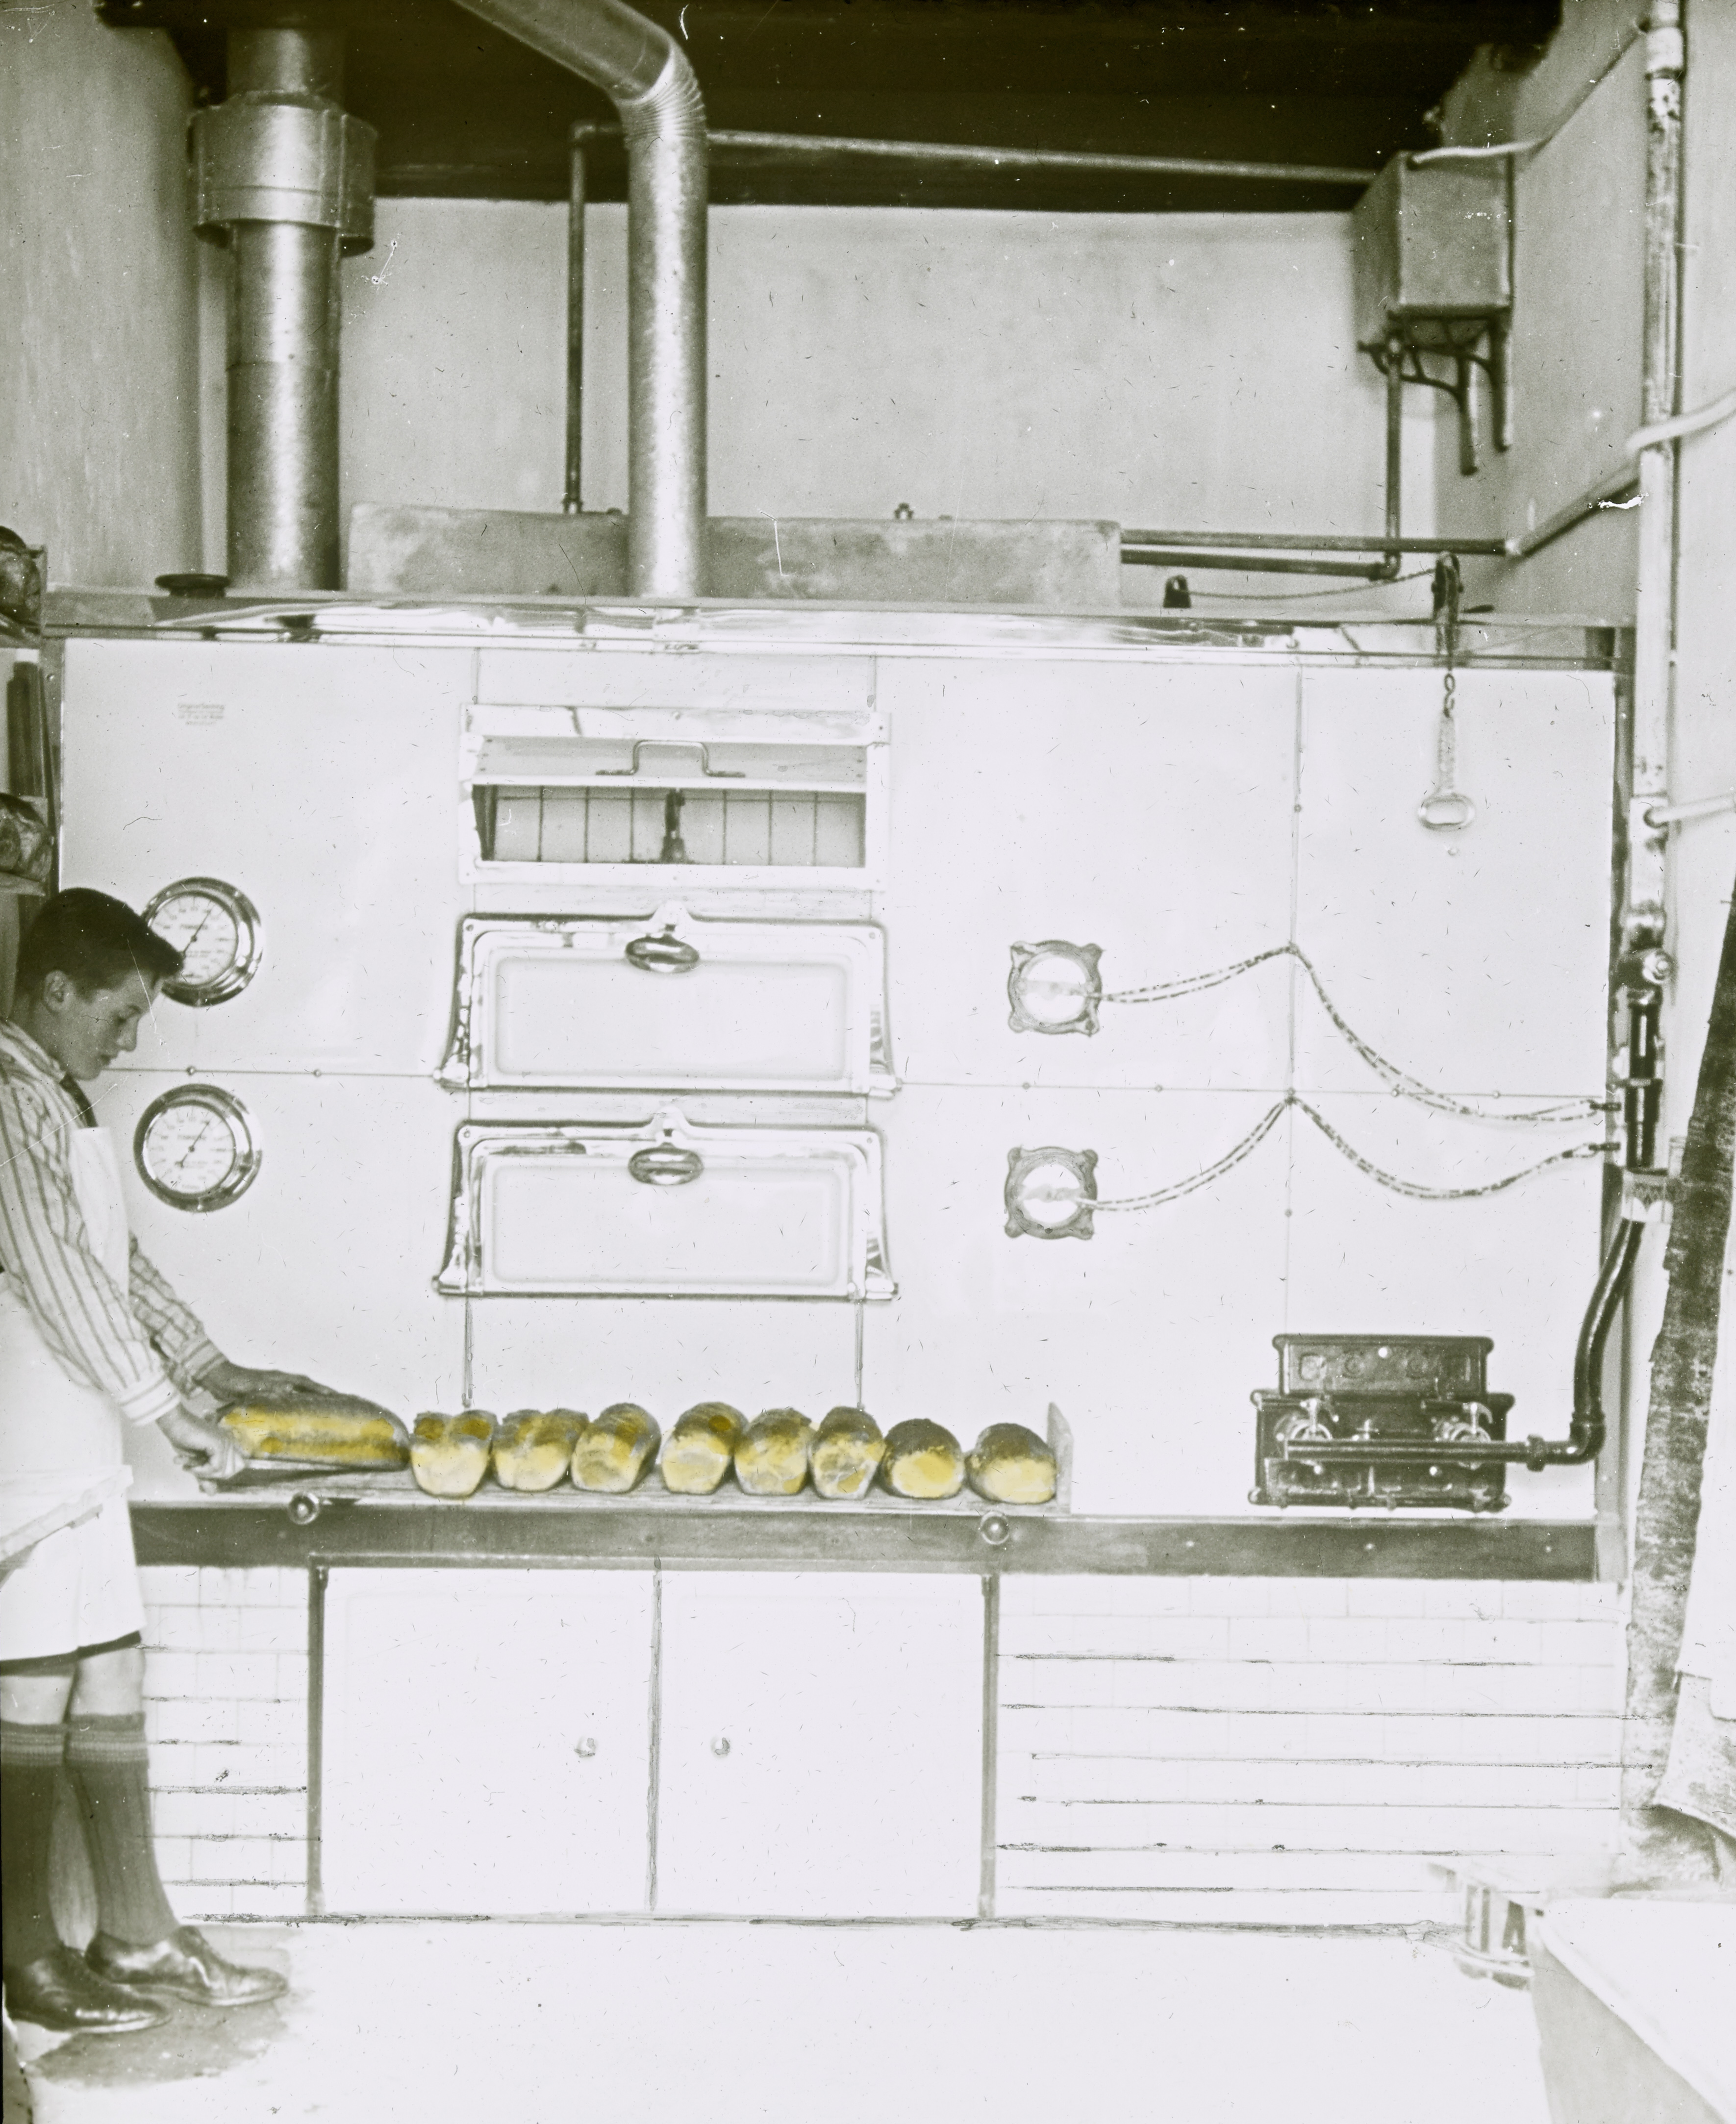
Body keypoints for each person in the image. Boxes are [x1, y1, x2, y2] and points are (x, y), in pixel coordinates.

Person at [0, 889, 325, 2035]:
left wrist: (211, 1368)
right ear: (56, 989)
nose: (130, 1038)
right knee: (30, 1684)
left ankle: (135, 1936)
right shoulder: (4, 1098)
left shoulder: (56, 1094)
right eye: (122, 1013)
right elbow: (58, 1278)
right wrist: (168, 1411)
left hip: (77, 1439)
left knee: (110, 1674)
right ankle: (24, 1957)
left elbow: (114, 1264)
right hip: (23, 1442)